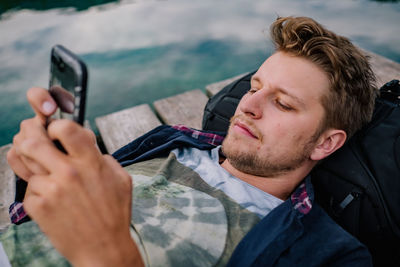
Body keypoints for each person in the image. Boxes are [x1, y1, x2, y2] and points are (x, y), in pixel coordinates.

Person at [1, 16, 377, 266]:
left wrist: (106, 255)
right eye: (254, 87)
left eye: (282, 103)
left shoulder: (326, 254)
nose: (248, 105)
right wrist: (38, 176)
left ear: (325, 143)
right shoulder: (174, 141)